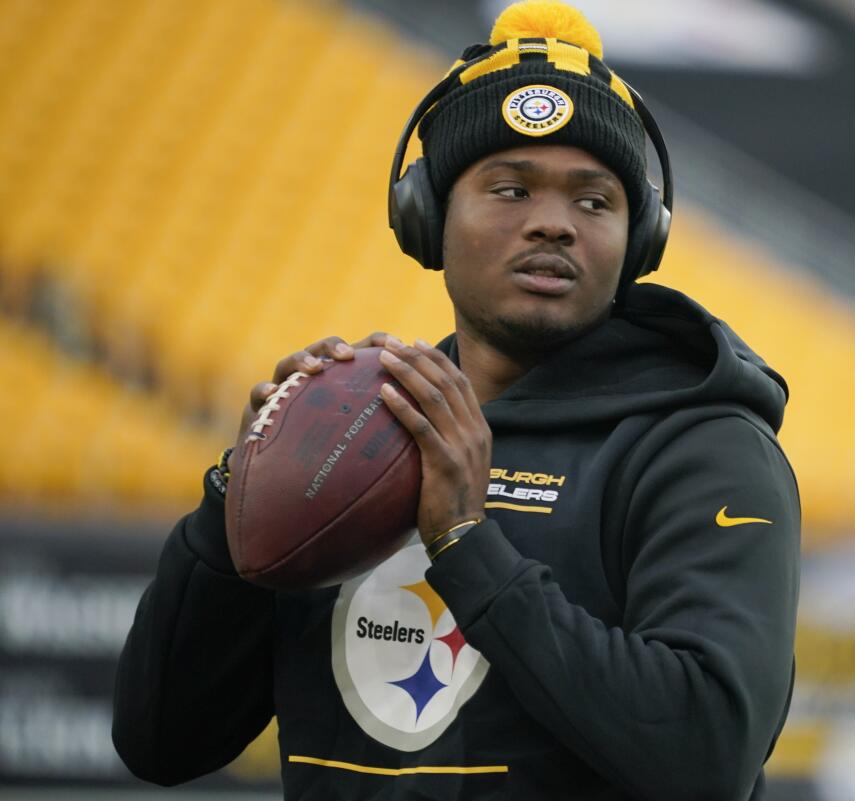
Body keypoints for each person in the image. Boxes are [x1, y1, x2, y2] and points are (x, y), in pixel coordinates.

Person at [112, 2, 801, 799]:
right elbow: (160, 740)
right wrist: (235, 502)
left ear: (636, 240)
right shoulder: (356, 436)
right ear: (427, 216)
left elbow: (705, 755)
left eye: (594, 201)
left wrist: (469, 546)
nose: (554, 224)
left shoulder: (705, 447)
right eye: (510, 189)